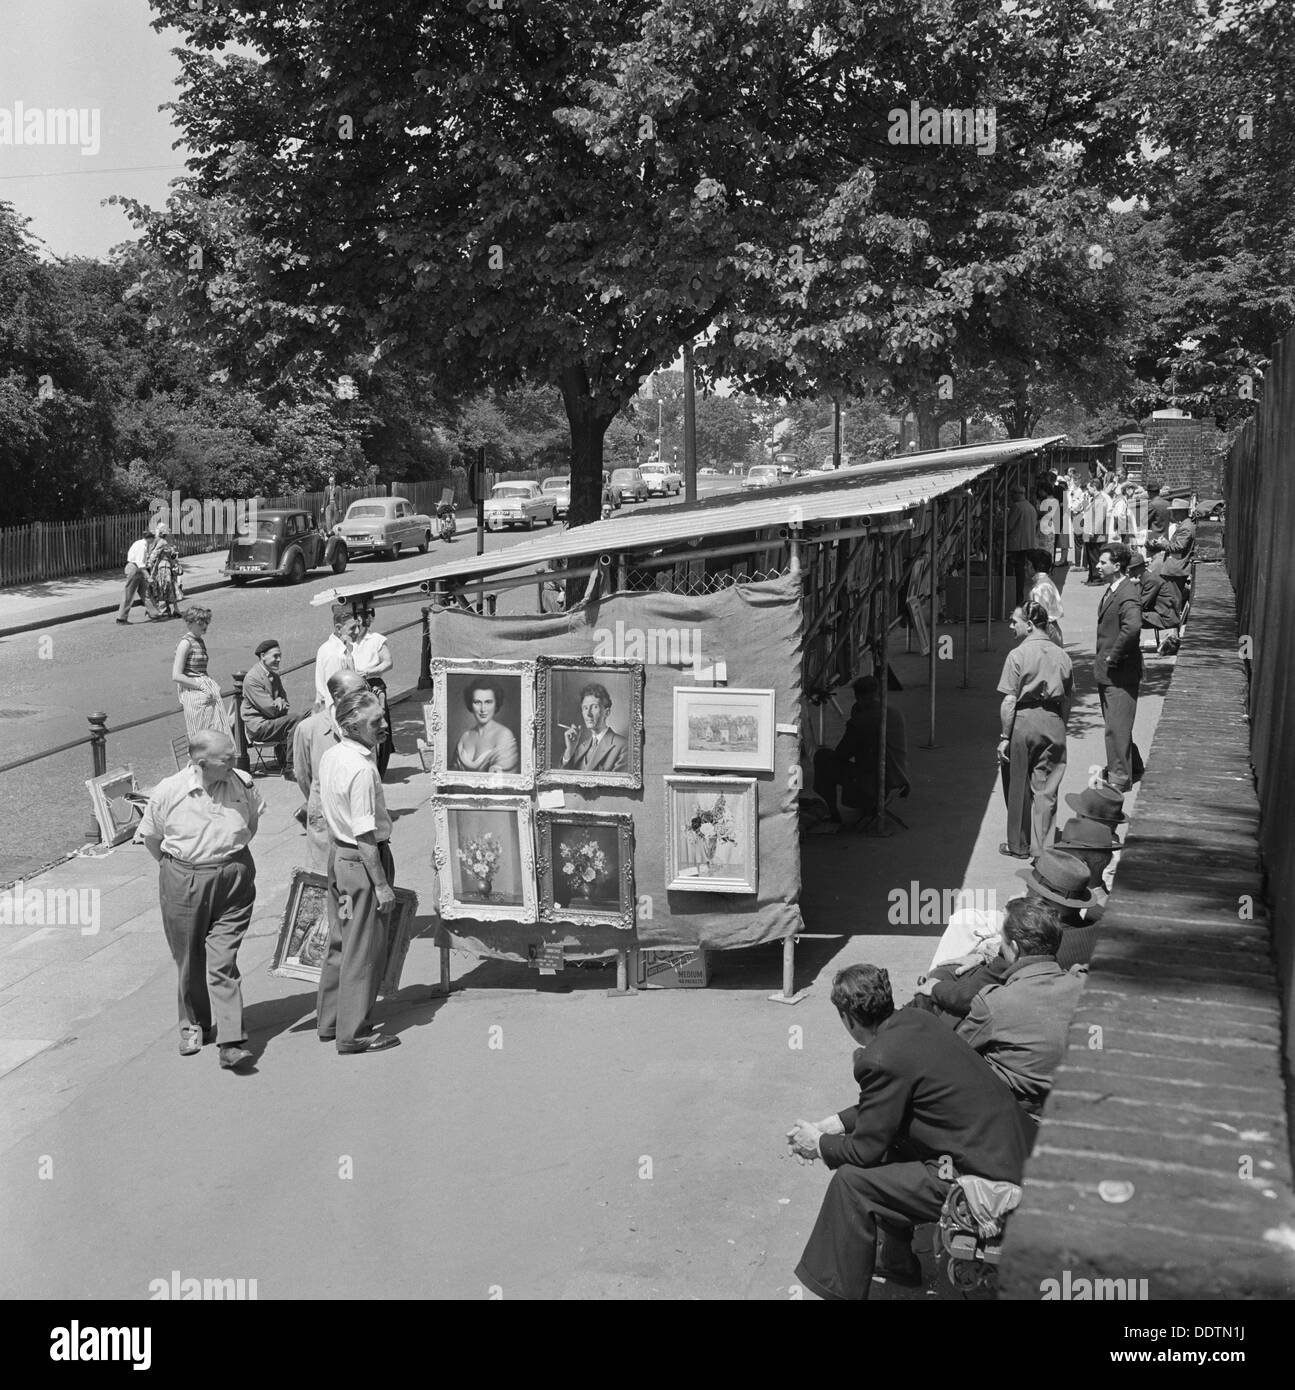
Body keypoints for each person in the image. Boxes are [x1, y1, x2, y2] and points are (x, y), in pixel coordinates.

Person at [788, 964, 1032, 1301]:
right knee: (894, 1142)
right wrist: (833, 1124)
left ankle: (835, 1291)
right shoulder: (919, 1021)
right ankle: (897, 1260)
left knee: (851, 1183)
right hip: (1013, 1153)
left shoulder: (879, 1057)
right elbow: (888, 1107)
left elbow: (863, 1152)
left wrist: (819, 1145)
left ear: (848, 1019)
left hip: (983, 1178)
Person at [138, 730, 263, 1071]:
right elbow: (152, 838)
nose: (236, 763)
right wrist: (178, 870)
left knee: (223, 960)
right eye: (228, 759)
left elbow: (252, 823)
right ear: (201, 762)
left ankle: (231, 1041)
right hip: (184, 879)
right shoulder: (169, 791)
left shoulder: (243, 783)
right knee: (189, 958)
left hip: (234, 877)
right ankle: (195, 1024)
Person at [316, 685, 401, 1054]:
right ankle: (353, 1033)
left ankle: (331, 1020)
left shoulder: (333, 755)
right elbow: (365, 835)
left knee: (341, 940)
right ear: (351, 726)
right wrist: (381, 885)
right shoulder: (362, 770)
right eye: (375, 721)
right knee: (363, 948)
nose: (383, 725)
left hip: (339, 858)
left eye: (382, 717)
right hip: (361, 862)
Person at [943, 900, 1087, 1116]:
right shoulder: (1084, 986)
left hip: (1013, 1116)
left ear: (1015, 948)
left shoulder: (995, 1003)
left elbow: (954, 1058)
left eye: (1002, 939)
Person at [996, 602, 1073, 859]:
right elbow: (1067, 698)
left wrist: (1004, 737)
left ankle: (1018, 845)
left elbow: (1009, 700)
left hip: (1023, 722)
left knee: (1017, 782)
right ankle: (1044, 850)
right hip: (1052, 720)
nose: (1010, 626)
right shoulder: (1062, 655)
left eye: (1014, 621)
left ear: (1029, 625)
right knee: (1046, 787)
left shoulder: (1017, 655)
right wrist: (1060, 724)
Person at [294, 672, 367, 873]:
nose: (366, 696)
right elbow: (303, 776)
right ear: (337, 696)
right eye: (359, 691)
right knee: (324, 877)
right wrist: (322, 800)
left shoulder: (367, 724)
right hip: (323, 820)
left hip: (359, 817)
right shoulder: (309, 729)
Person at [811, 674, 910, 824]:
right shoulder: (894, 713)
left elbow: (842, 754)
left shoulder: (861, 722)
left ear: (859, 698)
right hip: (898, 778)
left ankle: (833, 813)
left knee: (822, 757)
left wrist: (855, 719)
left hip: (877, 782)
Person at [1094, 543, 1143, 794]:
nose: (1097, 566)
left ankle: (1119, 778)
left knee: (1116, 727)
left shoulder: (1127, 593)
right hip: (1110, 672)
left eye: (1103, 563)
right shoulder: (1117, 589)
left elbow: (1133, 627)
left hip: (1119, 673)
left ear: (1117, 566)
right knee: (1119, 723)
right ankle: (1132, 767)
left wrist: (1115, 655)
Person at [240, 639, 300, 778]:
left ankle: (289, 759)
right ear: (262, 656)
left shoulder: (274, 676)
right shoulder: (252, 678)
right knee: (296, 718)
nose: (279, 659)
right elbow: (271, 710)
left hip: (273, 723)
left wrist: (279, 702)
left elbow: (285, 704)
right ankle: (291, 766)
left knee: (309, 714)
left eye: (280, 656)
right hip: (260, 727)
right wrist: (278, 702)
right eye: (275, 656)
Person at [172, 606, 232, 739]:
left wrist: (211, 683)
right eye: (200, 623)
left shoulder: (199, 641)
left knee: (218, 732)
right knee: (203, 735)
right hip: (194, 691)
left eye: (206, 622)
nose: (204, 626)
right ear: (189, 623)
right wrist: (201, 686)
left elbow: (201, 670)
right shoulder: (185, 643)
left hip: (206, 689)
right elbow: (176, 675)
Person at [352, 606, 395, 778]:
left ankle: (379, 767)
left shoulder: (376, 639)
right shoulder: (349, 641)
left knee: (379, 723)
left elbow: (388, 662)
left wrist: (370, 672)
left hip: (373, 683)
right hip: (355, 685)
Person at [452, 678, 520, 774]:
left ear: (496, 704)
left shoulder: (504, 735)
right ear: (470, 704)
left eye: (488, 702)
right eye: (477, 702)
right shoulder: (465, 736)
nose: (483, 709)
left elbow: (502, 781)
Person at [560, 682, 628, 772]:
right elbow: (564, 779)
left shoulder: (623, 746)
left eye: (595, 707)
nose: (588, 714)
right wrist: (570, 750)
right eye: (585, 708)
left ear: (607, 712)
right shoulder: (580, 747)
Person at [1129, 551, 1182, 651]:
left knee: (1129, 615)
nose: (1128, 572)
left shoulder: (1150, 580)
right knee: (1128, 613)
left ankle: (1129, 647)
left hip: (1165, 618)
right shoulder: (1146, 577)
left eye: (1129, 569)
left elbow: (1141, 603)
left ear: (1135, 569)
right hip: (1159, 614)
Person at [315, 605, 359, 708]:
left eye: (358, 627)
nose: (357, 631)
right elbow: (334, 695)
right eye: (352, 628)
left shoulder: (341, 648)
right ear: (339, 628)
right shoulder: (334, 655)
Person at [116, 530, 162, 624]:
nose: (154, 540)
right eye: (154, 538)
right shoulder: (142, 547)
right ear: (150, 538)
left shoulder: (140, 543)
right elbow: (140, 564)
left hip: (136, 569)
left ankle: (154, 613)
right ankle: (121, 618)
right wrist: (148, 577)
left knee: (145, 592)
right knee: (129, 594)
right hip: (135, 569)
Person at [1005, 485, 1039, 608]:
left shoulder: (1017, 507)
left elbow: (1009, 526)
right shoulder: (1030, 506)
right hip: (1027, 543)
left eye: (1012, 494)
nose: (1011, 497)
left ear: (1017, 494)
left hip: (1017, 544)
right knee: (1021, 570)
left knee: (1016, 571)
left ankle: (1016, 597)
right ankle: (1019, 596)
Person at [1027, 559, 1065, 646]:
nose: (1025, 567)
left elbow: (1040, 617)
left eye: (1028, 564)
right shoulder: (1045, 582)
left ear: (1034, 568)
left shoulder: (1040, 588)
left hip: (1046, 630)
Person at [1082, 481, 1109, 584]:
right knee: (1091, 558)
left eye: (1089, 488)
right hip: (1091, 535)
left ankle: (1097, 578)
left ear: (1094, 487)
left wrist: (1093, 531)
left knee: (1095, 558)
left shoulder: (1100, 500)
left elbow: (1099, 518)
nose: (1088, 490)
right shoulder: (1096, 499)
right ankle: (1092, 577)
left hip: (1096, 536)